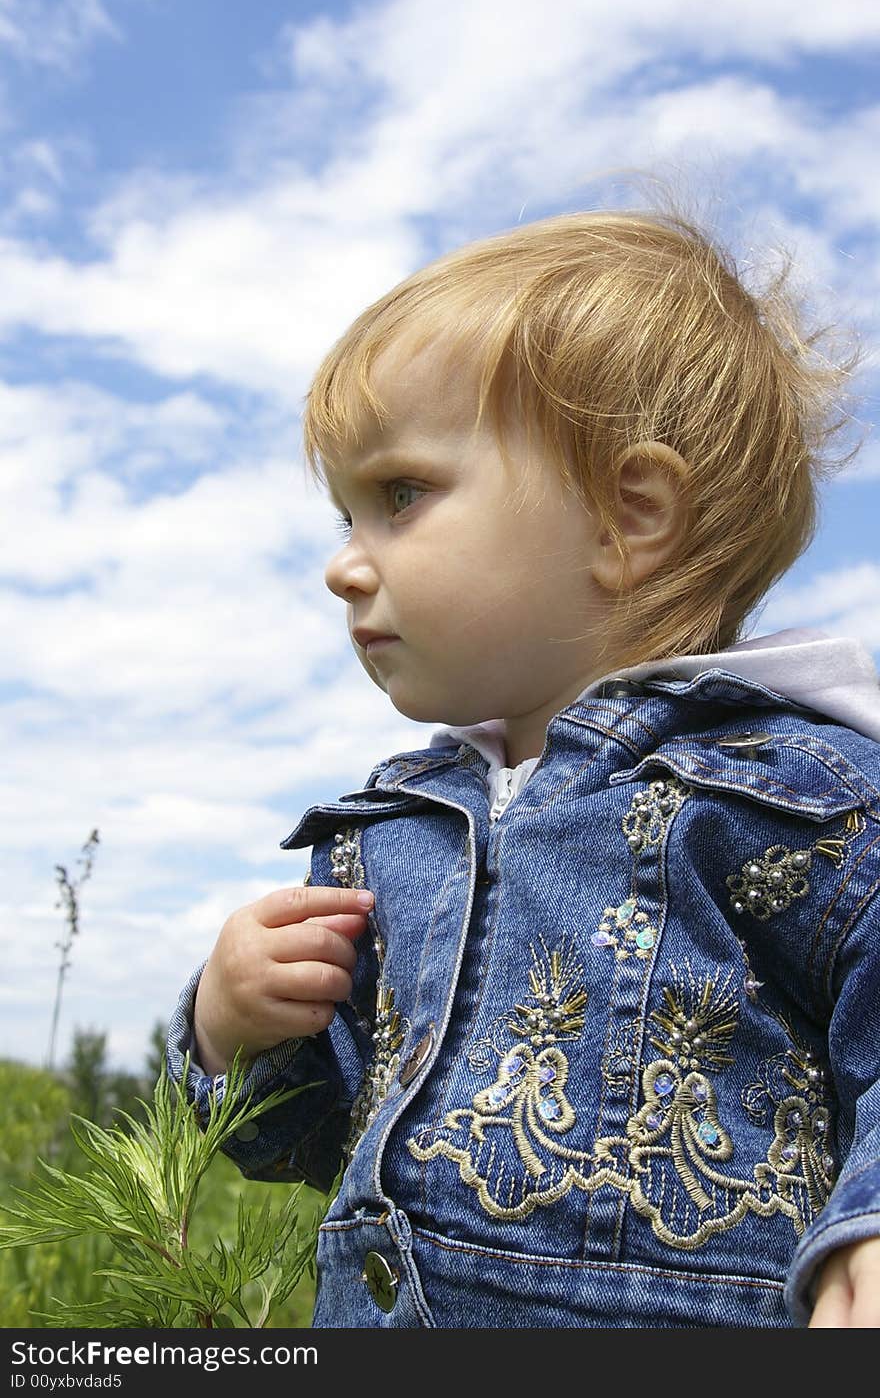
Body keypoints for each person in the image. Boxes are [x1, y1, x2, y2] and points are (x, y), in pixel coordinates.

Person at [167, 208, 880, 1328]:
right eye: (345, 511)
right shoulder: (389, 839)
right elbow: (294, 1142)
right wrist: (228, 1026)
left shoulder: (797, 801)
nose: (342, 567)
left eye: (398, 495)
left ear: (625, 516)